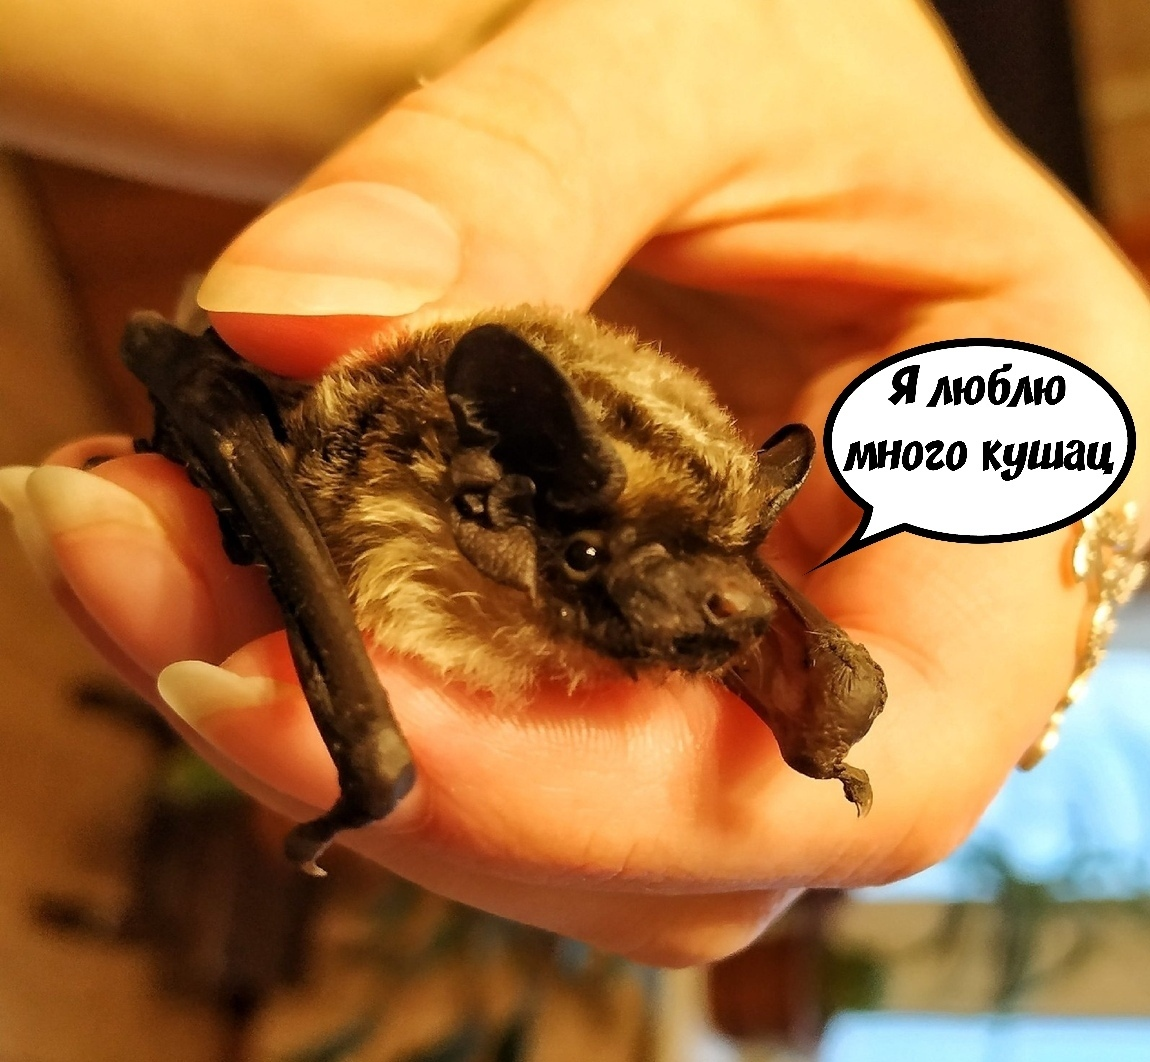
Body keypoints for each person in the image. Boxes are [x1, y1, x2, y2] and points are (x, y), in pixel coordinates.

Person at [2, 0, 1148, 966]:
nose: (715, 609)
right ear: (489, 503)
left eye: (722, 561)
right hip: (314, 405)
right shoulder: (390, 493)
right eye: (594, 553)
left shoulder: (706, 575)